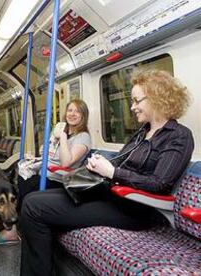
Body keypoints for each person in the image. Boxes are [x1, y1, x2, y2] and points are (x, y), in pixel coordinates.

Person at [19, 69, 194, 276]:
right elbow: (120, 162)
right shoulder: (142, 133)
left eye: (137, 101)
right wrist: (101, 165)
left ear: (156, 98)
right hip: (110, 196)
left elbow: (159, 183)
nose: (132, 107)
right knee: (33, 197)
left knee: (34, 207)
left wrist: (113, 173)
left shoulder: (179, 136)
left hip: (134, 209)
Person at [0, 99, 92, 244]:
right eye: (70, 110)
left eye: (77, 111)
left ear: (83, 116)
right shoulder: (60, 130)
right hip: (46, 173)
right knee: (16, 182)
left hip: (60, 180)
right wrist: (38, 156)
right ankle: (8, 224)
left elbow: (66, 162)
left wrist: (62, 137)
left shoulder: (83, 137)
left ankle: (11, 231)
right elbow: (45, 151)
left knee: (26, 185)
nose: (72, 114)